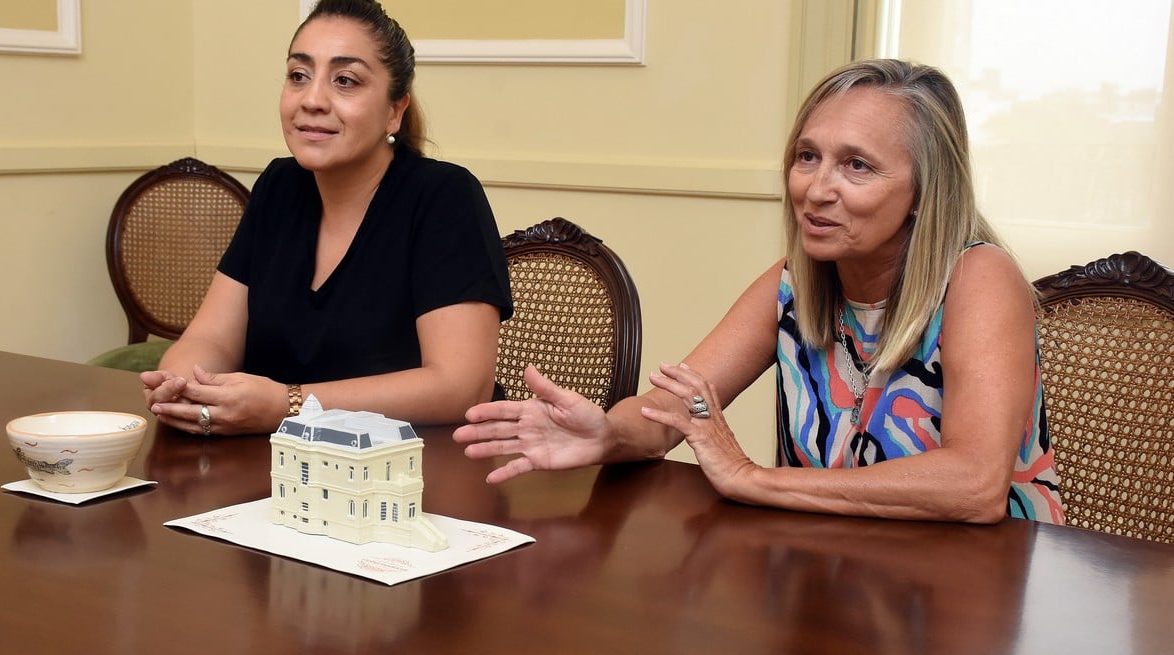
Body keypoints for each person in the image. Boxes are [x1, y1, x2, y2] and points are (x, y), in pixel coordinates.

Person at [455, 59, 1064, 524]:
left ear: (926, 193)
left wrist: (751, 478)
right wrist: (606, 436)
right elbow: (672, 413)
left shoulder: (980, 277)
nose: (817, 188)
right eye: (807, 156)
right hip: (840, 568)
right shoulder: (793, 284)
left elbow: (975, 485)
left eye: (857, 165)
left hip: (983, 585)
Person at [143, 0, 512, 436]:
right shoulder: (279, 185)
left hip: (416, 475)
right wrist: (184, 384)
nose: (312, 100)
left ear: (395, 110)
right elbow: (211, 339)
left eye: (345, 81)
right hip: (282, 468)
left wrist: (291, 404)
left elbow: (459, 385)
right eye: (299, 76)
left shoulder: (443, 196)